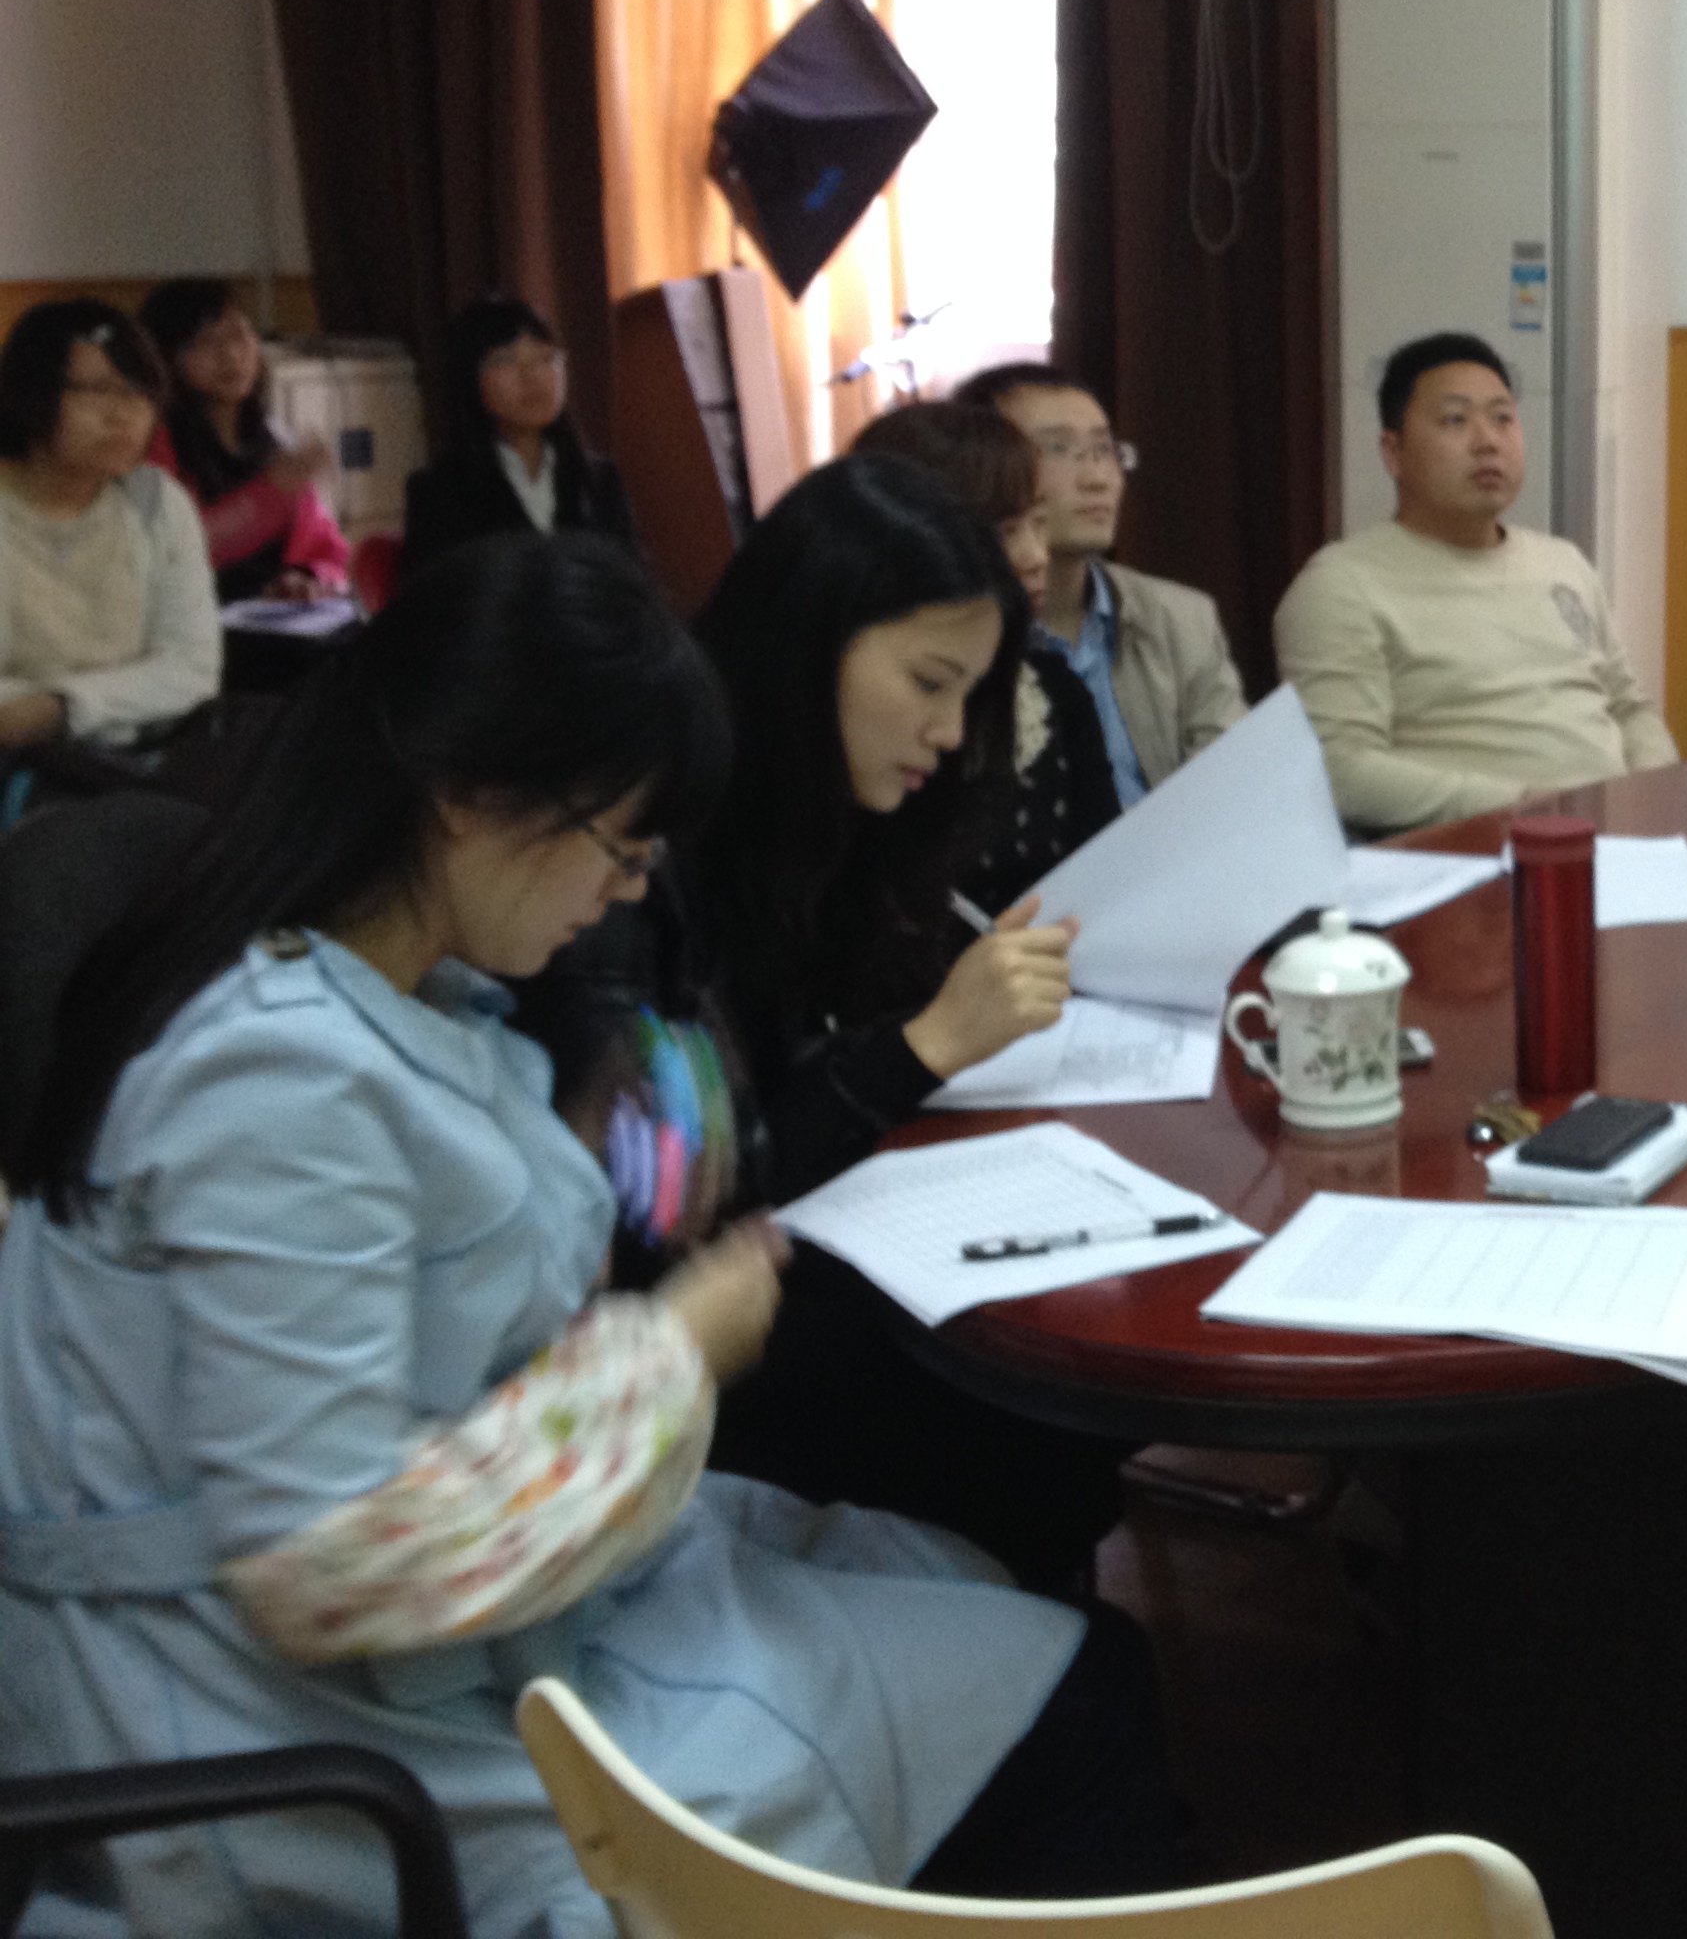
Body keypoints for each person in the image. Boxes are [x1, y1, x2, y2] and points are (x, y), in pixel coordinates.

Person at [0, 532, 1176, 1935]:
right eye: (619, 844)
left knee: (1001, 1610)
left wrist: (600, 1215)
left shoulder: (375, 999)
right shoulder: (279, 1081)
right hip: (304, 1740)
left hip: (452, 1644)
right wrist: (670, 1349)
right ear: (468, 796)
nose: (624, 890)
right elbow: (330, 1561)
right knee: (1076, 1694)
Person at [537, 452, 1122, 1592]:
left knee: (1041, 1399)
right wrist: (922, 1048)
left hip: (780, 1276)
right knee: (1010, 1417)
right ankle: (1024, 1666)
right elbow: (665, 1202)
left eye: (969, 697)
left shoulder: (834, 817)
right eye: (928, 683)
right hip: (678, 1342)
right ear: (813, 639)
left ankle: (1029, 1657)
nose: (948, 731)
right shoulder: (645, 844)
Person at [1274, 333, 1676, 834]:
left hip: (1617, 839)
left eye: (1502, 418)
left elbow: (1629, 708)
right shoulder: (1342, 586)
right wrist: (1527, 807)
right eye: (1455, 420)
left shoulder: (1563, 562)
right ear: (1393, 452)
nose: (1487, 441)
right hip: (1479, 849)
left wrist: (1651, 795)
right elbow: (1340, 768)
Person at [851, 397, 1124, 903]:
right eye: (1005, 532)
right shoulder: (868, 726)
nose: (1036, 557)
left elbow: (1110, 872)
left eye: (1039, 524)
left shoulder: (1052, 688)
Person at [954, 361, 1248, 797]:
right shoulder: (962, 631)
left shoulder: (1179, 617)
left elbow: (1234, 784)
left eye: (1105, 450)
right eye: (1057, 449)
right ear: (987, 466)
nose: (1097, 479)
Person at [0, 297, 222, 775]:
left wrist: (62, 706)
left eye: (139, 393)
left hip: (140, 760)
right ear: (31, 392)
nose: (124, 415)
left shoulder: (156, 503)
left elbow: (192, 669)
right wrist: (125, 696)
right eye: (97, 391)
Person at [137, 277, 350, 605]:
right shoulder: (152, 444)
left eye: (238, 334)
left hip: (274, 618)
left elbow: (325, 549)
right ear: (165, 358)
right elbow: (177, 551)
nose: (230, 354)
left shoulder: (272, 437)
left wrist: (307, 576)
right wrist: (271, 493)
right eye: (205, 341)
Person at [399, 294, 638, 578]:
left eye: (546, 357)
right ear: (469, 377)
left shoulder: (601, 480)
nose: (532, 376)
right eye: (506, 360)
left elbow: (633, 582)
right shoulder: (437, 491)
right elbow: (433, 597)